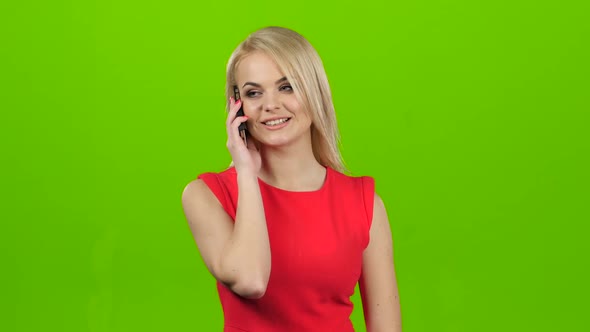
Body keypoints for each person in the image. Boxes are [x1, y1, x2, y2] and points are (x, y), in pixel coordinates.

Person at [181, 26, 401, 332]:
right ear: (236, 105)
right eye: (253, 92)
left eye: (287, 87)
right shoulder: (207, 196)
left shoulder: (363, 203)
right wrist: (246, 171)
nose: (270, 104)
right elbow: (250, 280)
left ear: (315, 91)